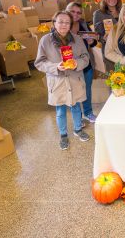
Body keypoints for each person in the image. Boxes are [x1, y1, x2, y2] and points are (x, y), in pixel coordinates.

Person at [35, 11, 91, 150]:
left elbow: (85, 57)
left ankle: (78, 129)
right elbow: (39, 62)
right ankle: (63, 135)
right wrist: (55, 67)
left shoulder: (77, 39)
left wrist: (77, 63)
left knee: (76, 106)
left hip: (74, 78)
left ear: (70, 24)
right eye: (60, 21)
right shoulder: (45, 40)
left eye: (67, 22)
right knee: (60, 110)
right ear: (54, 23)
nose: (63, 25)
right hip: (57, 81)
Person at [66, 2, 97, 123]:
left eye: (78, 12)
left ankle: (88, 112)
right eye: (72, 11)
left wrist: (91, 42)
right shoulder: (62, 25)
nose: (75, 14)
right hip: (70, 67)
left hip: (85, 64)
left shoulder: (83, 24)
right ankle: (77, 117)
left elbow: (93, 41)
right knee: (74, 91)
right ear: (66, 10)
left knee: (87, 90)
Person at [93, 0, 122, 72]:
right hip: (110, 52)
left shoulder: (123, 11)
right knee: (114, 79)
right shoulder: (98, 14)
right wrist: (104, 39)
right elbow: (97, 35)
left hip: (124, 50)